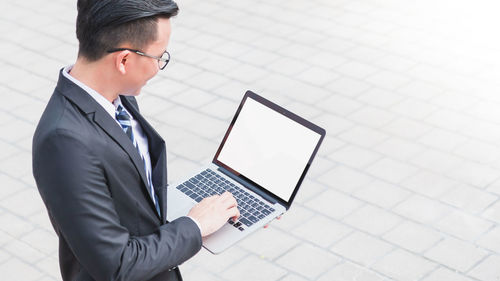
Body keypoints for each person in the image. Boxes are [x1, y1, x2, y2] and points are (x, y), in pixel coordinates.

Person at [32, 1, 240, 280]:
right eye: (159, 57)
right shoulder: (63, 143)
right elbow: (117, 265)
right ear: (124, 60)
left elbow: (133, 196)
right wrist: (195, 225)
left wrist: (215, 211)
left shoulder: (117, 96)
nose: (158, 66)